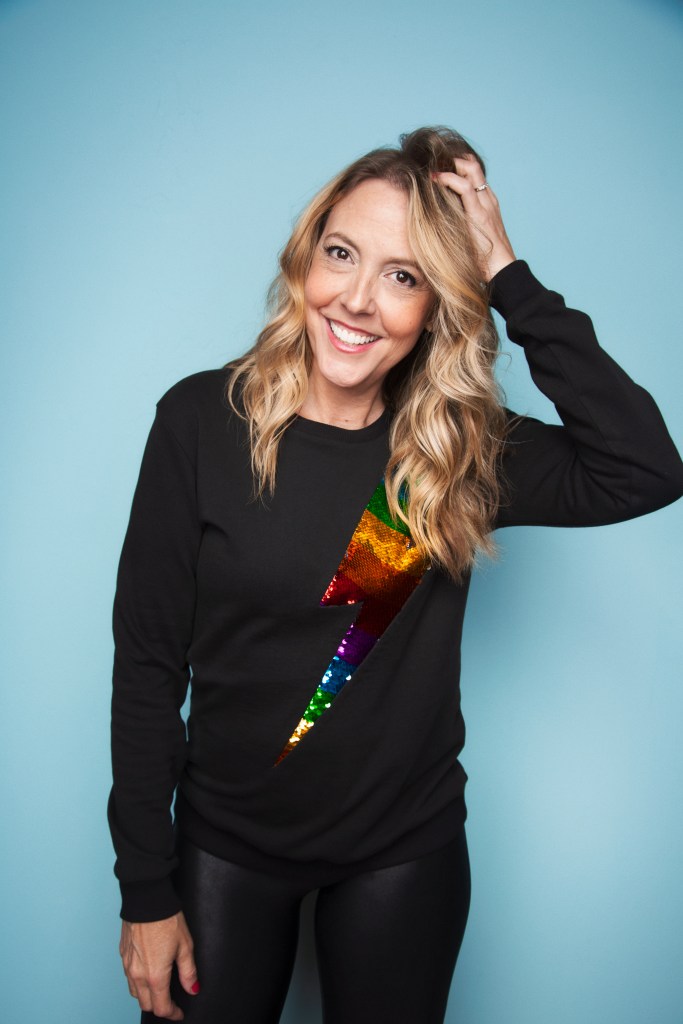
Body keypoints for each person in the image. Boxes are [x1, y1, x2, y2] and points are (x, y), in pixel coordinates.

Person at [108, 126, 683, 1024]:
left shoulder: (455, 452)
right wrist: (146, 888)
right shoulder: (200, 422)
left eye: (403, 275)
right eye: (341, 254)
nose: (358, 300)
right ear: (306, 258)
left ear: (434, 304)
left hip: (402, 853)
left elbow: (644, 467)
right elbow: (147, 666)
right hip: (226, 844)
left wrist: (505, 271)